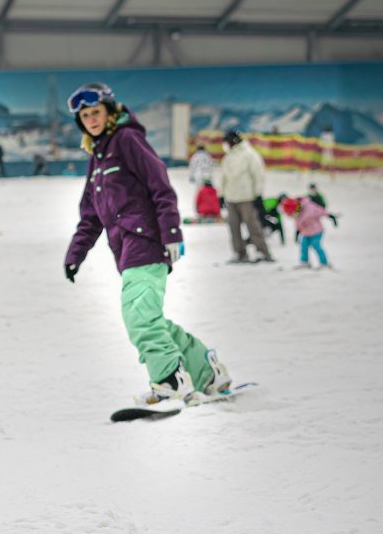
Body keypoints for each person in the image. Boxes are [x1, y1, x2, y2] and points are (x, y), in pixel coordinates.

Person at [62, 83, 231, 407]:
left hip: (145, 241)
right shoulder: (98, 156)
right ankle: (206, 370)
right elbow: (90, 213)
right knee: (150, 317)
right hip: (124, 249)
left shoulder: (126, 140)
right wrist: (76, 254)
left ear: (110, 112)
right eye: (85, 116)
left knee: (139, 317)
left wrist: (171, 233)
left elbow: (160, 185)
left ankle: (169, 380)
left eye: (96, 112)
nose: (91, 119)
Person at [218, 130, 272, 263]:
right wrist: (221, 195)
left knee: (253, 227)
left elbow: (258, 175)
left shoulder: (249, 155)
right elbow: (223, 178)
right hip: (231, 197)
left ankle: (263, 252)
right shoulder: (228, 157)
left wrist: (257, 194)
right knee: (234, 227)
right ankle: (239, 253)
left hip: (247, 197)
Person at [287, 195, 333, 269]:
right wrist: (297, 232)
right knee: (303, 245)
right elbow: (298, 223)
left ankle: (324, 263)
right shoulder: (297, 212)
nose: (292, 214)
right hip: (306, 232)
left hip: (316, 231)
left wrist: (330, 216)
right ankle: (304, 262)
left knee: (316, 245)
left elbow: (320, 211)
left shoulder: (309, 207)